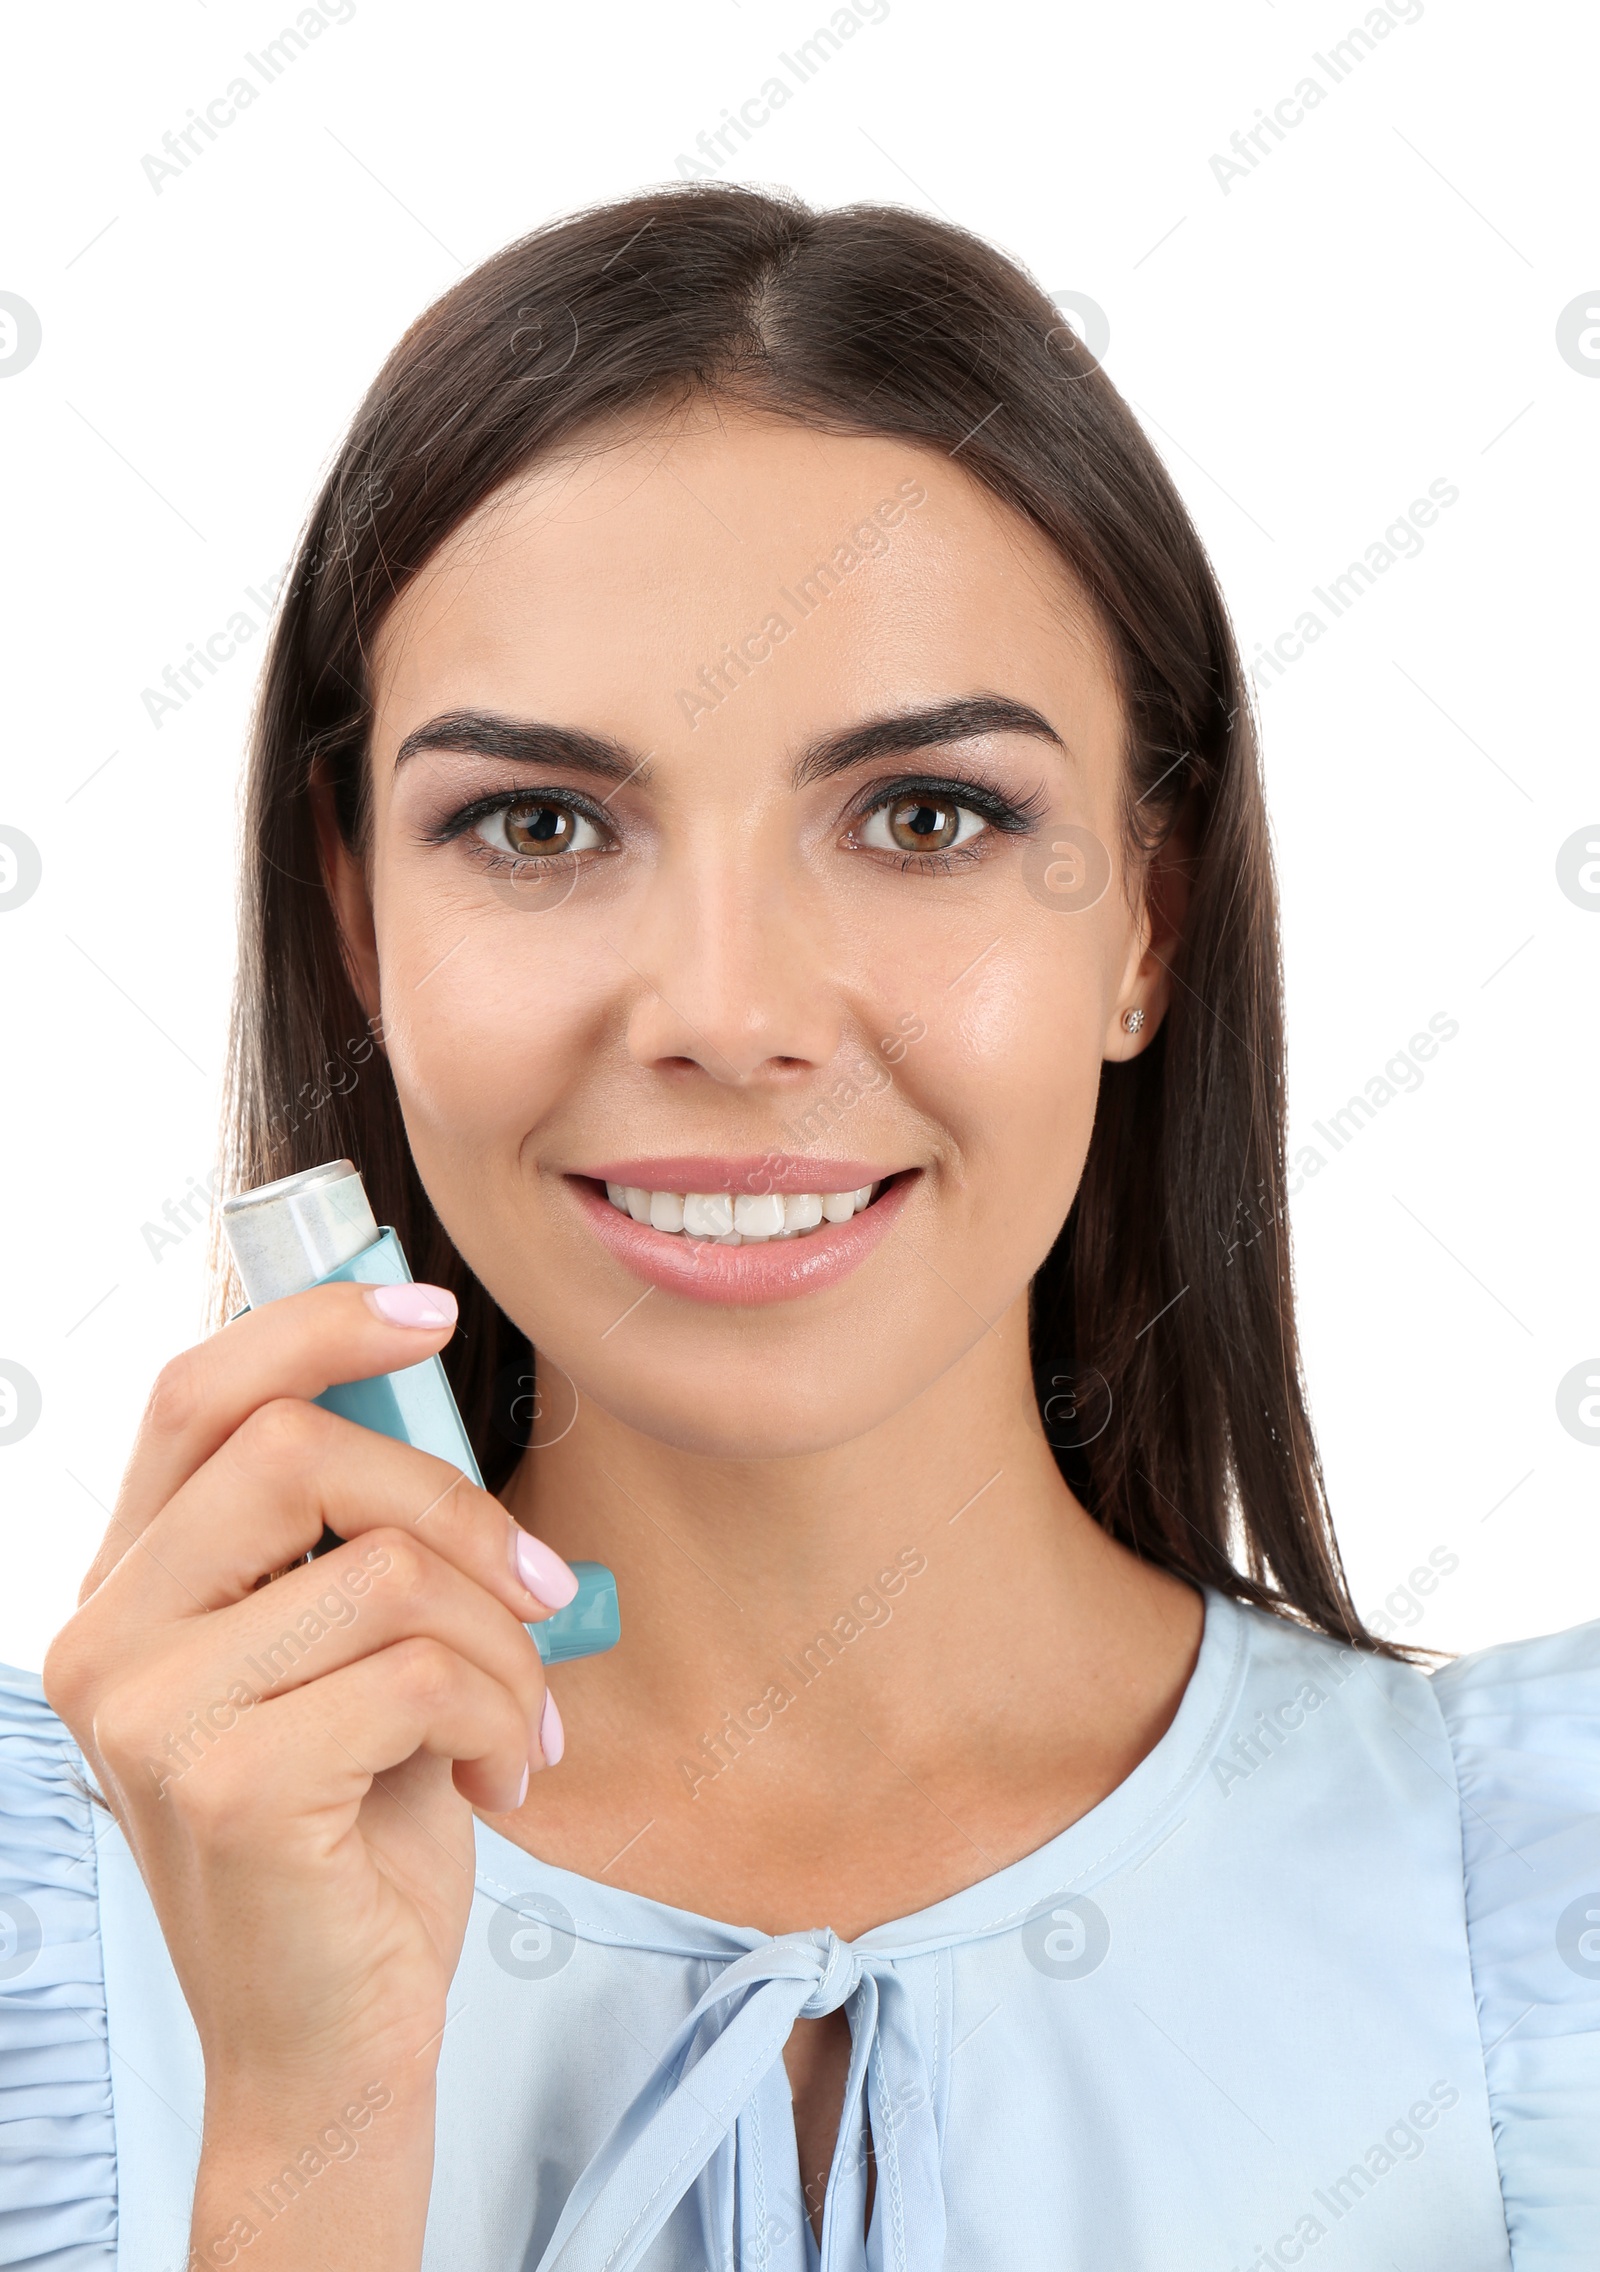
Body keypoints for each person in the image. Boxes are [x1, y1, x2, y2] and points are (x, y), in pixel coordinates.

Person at [1, 182, 1594, 2272]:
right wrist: (312, 2129)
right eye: (540, 824)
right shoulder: (64, 1933)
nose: (728, 1013)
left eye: (926, 816)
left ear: (1145, 917)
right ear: (356, 912)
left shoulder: (1529, 1907)